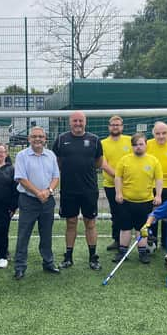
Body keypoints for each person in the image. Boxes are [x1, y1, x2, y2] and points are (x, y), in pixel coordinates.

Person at [52, 111, 103, 271]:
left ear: (85, 122)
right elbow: (56, 163)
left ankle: (93, 258)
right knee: (71, 223)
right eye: (75, 121)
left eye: (81, 121)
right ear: (70, 122)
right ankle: (68, 257)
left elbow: (98, 162)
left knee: (90, 223)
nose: (78, 124)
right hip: (68, 191)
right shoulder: (61, 139)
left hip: (89, 190)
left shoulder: (94, 140)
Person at [13, 127, 60, 280]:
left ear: (45, 138)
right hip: (28, 201)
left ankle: (48, 262)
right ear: (29, 138)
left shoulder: (51, 155)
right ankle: (20, 266)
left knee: (46, 234)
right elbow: (21, 178)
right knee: (23, 235)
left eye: (40, 136)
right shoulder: (21, 155)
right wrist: (38, 193)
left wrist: (48, 191)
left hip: (47, 201)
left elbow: (56, 177)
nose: (37, 139)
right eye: (34, 136)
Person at [113, 133, 163, 264]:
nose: (138, 147)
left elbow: (158, 179)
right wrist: (118, 193)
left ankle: (142, 253)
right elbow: (118, 177)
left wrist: (158, 195)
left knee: (142, 229)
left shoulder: (153, 161)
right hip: (126, 201)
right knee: (125, 228)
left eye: (141, 144)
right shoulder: (124, 160)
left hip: (145, 201)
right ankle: (122, 252)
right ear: (132, 146)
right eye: (135, 145)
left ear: (146, 145)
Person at [99, 115, 132, 251]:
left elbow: (134, 159)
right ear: (109, 127)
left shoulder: (130, 141)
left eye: (118, 125)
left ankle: (136, 240)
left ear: (122, 127)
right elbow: (103, 164)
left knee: (129, 212)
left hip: (129, 184)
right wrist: (118, 177)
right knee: (116, 213)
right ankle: (117, 240)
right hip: (110, 184)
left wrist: (126, 178)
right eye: (113, 125)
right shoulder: (102, 143)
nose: (115, 127)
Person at [146, 121, 167, 249]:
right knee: (152, 214)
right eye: (158, 133)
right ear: (153, 133)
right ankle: (151, 241)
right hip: (151, 186)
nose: (161, 136)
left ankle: (166, 241)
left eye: (164, 133)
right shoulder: (147, 145)